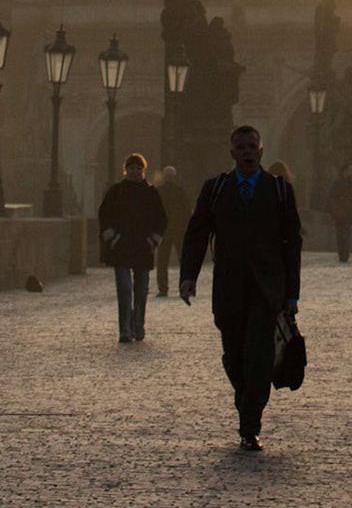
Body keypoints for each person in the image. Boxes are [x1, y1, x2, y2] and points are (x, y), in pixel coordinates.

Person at [179, 126, 303, 452]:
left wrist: (292, 295)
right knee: (234, 357)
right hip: (229, 289)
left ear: (261, 152)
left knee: (259, 357)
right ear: (231, 152)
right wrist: (188, 276)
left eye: (252, 147)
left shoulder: (279, 190)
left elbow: (293, 245)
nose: (247, 152)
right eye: (241, 147)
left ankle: (250, 426)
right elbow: (196, 234)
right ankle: (246, 399)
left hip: (267, 290)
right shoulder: (215, 189)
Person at [98, 153, 167, 343]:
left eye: (138, 168)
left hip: (142, 248)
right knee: (125, 288)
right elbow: (104, 215)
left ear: (143, 171)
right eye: (132, 168)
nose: (135, 172)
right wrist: (113, 238)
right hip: (121, 247)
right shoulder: (116, 191)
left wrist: (152, 240)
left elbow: (161, 219)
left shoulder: (151, 192)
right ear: (126, 170)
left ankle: (138, 324)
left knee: (141, 290)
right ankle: (125, 328)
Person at [153, 164, 189, 297]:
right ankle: (184, 286)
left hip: (164, 231)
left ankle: (163, 288)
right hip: (179, 230)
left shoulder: (159, 191)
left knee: (162, 261)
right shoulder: (180, 191)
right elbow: (186, 211)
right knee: (183, 261)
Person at [325, 166, 352, 262]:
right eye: (350, 170)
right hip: (342, 212)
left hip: (345, 212)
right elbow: (331, 197)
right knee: (343, 233)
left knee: (343, 233)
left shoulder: (346, 183)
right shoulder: (344, 183)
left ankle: (343, 254)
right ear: (345, 171)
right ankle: (343, 254)